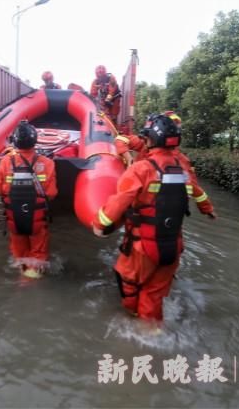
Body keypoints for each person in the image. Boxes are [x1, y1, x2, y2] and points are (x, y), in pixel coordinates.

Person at [92, 113, 215, 322]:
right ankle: (152, 332)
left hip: (142, 247)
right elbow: (195, 189)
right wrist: (207, 208)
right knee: (154, 293)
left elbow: (119, 201)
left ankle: (132, 319)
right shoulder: (183, 165)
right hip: (173, 243)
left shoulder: (141, 169)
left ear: (150, 139)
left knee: (128, 281)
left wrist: (100, 225)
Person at [0, 121, 58, 278]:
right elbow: (51, 193)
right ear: (35, 140)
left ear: (15, 141)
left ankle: (22, 277)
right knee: (38, 252)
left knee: (19, 253)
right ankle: (33, 280)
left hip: (14, 218)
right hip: (37, 219)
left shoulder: (5, 162)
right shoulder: (48, 163)